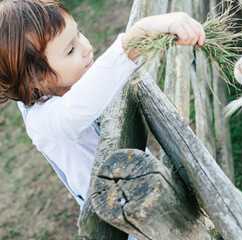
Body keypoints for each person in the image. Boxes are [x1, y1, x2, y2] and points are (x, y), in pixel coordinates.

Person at [0, 0, 205, 236]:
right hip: (126, 219)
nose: (86, 47)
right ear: (36, 79)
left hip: (137, 181)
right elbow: (75, 108)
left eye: (78, 34)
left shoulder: (39, 86)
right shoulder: (45, 122)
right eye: (70, 50)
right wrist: (136, 39)